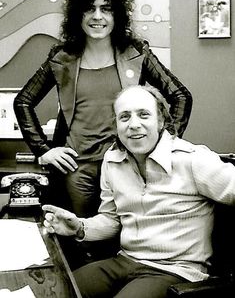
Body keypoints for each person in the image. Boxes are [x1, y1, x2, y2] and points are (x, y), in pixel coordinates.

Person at [14, 0, 192, 218]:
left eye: (106, 9)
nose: (97, 17)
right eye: (90, 9)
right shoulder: (61, 59)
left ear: (116, 15)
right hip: (76, 169)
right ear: (79, 15)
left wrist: (164, 144)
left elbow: (181, 96)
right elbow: (23, 101)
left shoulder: (137, 54)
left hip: (125, 164)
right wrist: (43, 150)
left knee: (126, 234)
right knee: (81, 238)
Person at [43, 85, 235, 298]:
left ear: (161, 121)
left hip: (176, 270)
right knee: (53, 291)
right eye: (124, 117)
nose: (134, 124)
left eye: (144, 115)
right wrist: (79, 227)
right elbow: (112, 219)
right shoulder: (112, 160)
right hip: (125, 261)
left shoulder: (193, 159)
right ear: (116, 125)